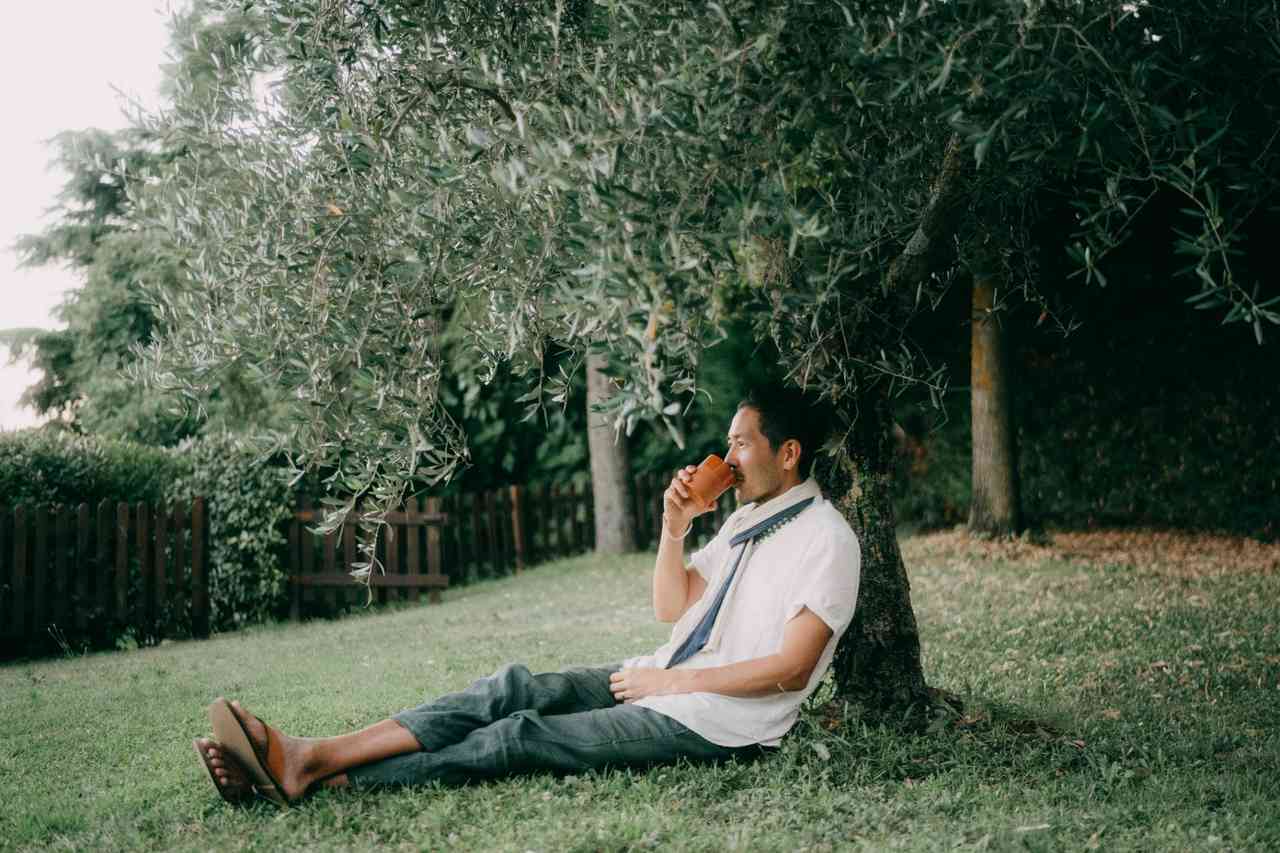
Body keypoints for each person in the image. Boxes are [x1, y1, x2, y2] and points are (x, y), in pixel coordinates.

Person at [194, 388, 861, 806]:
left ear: (791, 452)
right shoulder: (747, 522)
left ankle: (322, 776)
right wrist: (674, 526)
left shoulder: (826, 540)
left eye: (741, 442)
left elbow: (791, 667)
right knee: (508, 691)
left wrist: (671, 681)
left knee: (520, 736)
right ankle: (313, 753)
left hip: (719, 723)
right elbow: (672, 604)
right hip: (665, 681)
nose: (728, 454)